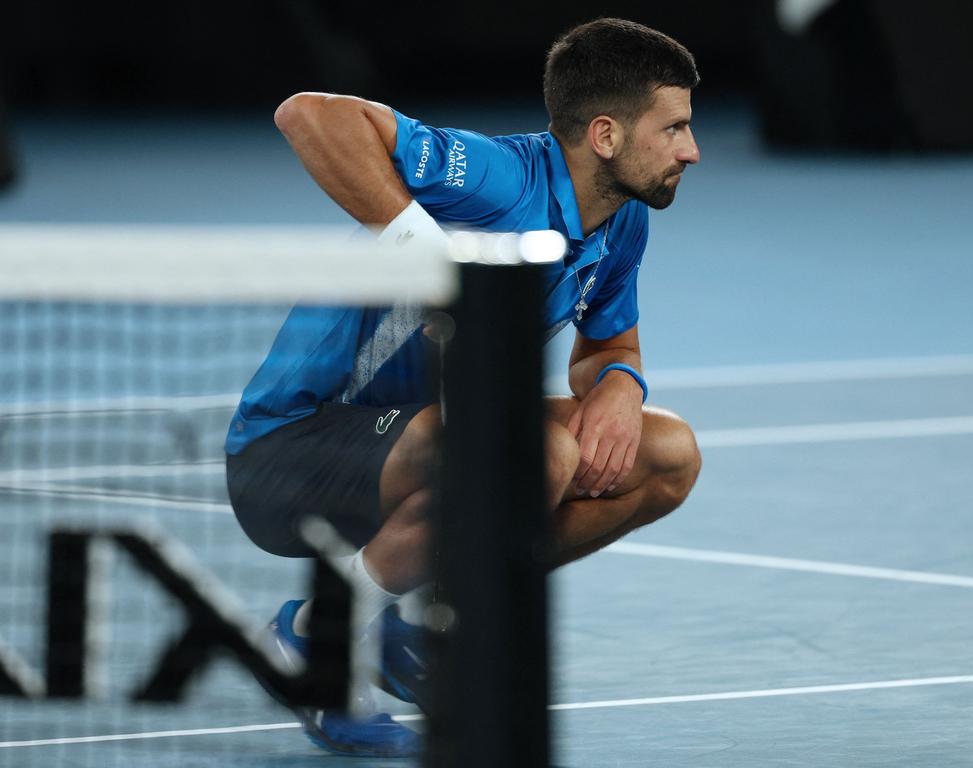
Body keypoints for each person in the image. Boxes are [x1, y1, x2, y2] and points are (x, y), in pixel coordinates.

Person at [225, 17, 703, 758]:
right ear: (605, 135)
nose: (691, 150)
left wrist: (619, 383)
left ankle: (383, 611)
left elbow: (610, 343)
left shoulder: (623, 221)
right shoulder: (497, 178)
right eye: (673, 129)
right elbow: (310, 114)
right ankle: (317, 637)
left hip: (418, 446)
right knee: (535, 453)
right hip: (291, 452)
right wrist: (430, 257)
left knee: (670, 455)